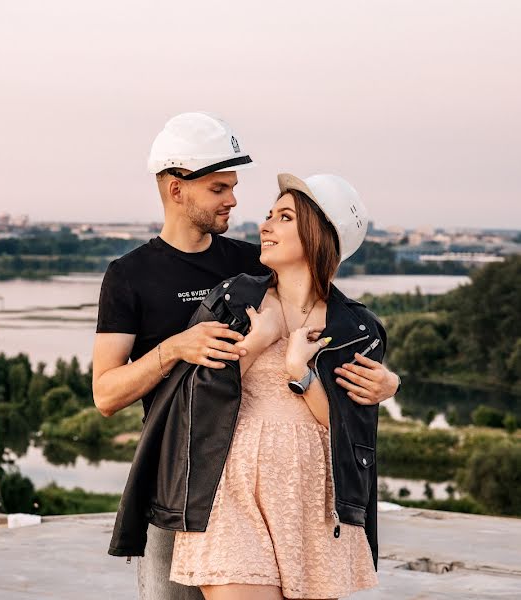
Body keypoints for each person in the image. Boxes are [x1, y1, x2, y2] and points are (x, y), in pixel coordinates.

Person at [92, 113, 400, 600]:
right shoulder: (131, 276)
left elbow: (323, 304)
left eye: (233, 187)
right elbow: (107, 395)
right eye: (219, 189)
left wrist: (387, 382)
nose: (235, 201)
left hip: (294, 494)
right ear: (177, 189)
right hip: (184, 476)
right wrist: (177, 348)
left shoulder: (247, 265)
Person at [169, 173, 383, 599]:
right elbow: (193, 398)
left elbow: (346, 426)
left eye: (284, 217)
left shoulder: (357, 327)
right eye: (270, 215)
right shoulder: (231, 300)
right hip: (229, 485)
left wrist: (298, 371)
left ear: (321, 236)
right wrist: (255, 344)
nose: (265, 226)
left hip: (312, 500)